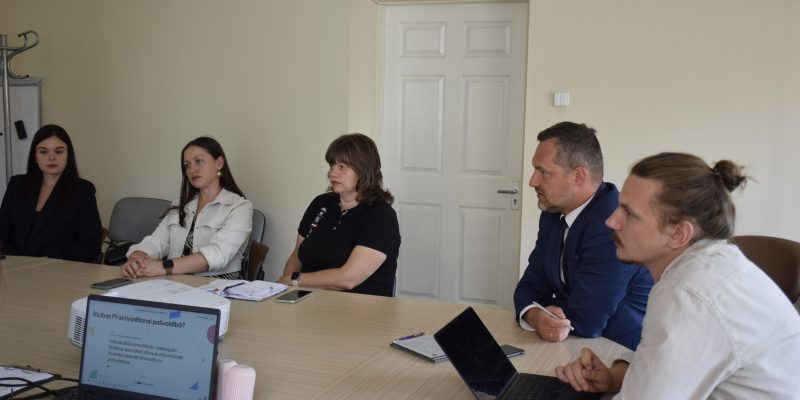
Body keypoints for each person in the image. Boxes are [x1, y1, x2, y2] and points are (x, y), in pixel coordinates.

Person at [555, 152, 800, 399]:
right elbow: (665, 361)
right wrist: (613, 378)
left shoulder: (688, 294)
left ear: (679, 234)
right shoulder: (708, 266)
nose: (611, 221)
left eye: (629, 213)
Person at [513, 122, 653, 350]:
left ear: (578, 176)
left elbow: (587, 319)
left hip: (619, 353)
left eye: (543, 172)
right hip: (574, 345)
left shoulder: (614, 225)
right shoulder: (552, 213)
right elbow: (529, 286)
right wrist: (535, 316)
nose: (532, 182)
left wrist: (545, 309)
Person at [278, 133, 400, 296]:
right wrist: (288, 292)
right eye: (332, 166)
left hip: (360, 307)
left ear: (363, 170)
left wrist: (293, 280)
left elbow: (348, 279)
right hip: (308, 300)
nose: (333, 173)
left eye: (342, 167)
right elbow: (297, 256)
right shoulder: (321, 203)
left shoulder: (381, 216)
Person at [122, 137, 252, 278]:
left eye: (199, 161)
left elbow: (218, 254)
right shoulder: (180, 204)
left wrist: (162, 267)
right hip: (174, 283)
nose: (192, 170)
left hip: (218, 285)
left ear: (219, 163)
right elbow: (157, 241)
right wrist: (138, 257)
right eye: (187, 165)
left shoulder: (240, 207)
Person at [0, 124, 102, 263]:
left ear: (68, 155)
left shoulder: (83, 190)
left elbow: (90, 243)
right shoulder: (17, 185)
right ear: (35, 156)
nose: (52, 157)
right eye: (43, 152)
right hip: (14, 266)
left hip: (59, 268)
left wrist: (50, 261)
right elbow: (2, 233)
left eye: (59, 152)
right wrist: (17, 261)